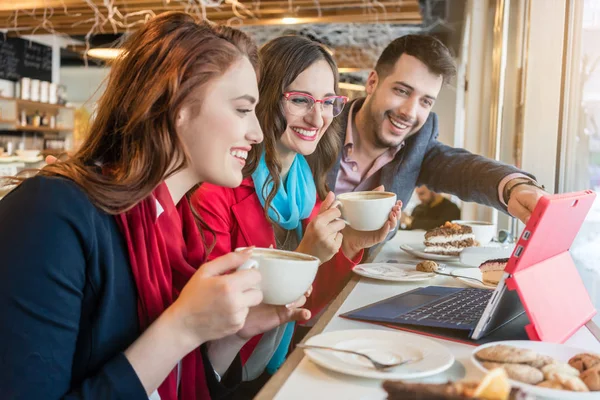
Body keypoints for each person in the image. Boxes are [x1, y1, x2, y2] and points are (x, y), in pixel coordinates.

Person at [0, 13, 309, 400]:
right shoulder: (52, 215)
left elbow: (170, 384)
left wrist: (228, 335)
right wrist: (183, 328)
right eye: (243, 109)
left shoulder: (178, 226)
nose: (257, 133)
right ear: (177, 104)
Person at [192, 35, 401, 388]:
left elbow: (306, 309)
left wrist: (348, 245)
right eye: (300, 99)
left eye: (328, 102)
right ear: (266, 98)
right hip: (227, 378)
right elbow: (215, 327)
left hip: (276, 363)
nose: (318, 117)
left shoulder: (307, 186)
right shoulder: (217, 192)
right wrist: (306, 256)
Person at [327, 35, 546, 230]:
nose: (409, 112)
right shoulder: (322, 124)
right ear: (373, 82)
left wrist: (515, 187)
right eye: (402, 91)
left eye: (425, 101)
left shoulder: (416, 144)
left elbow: (465, 168)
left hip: (363, 272)